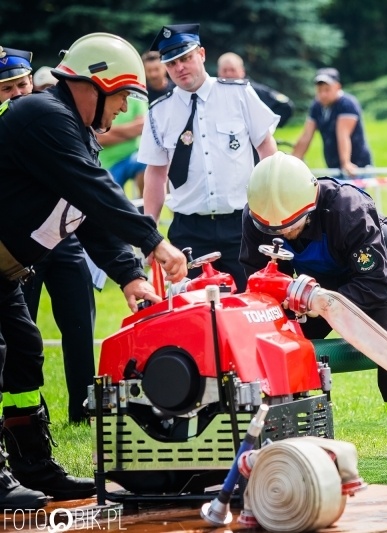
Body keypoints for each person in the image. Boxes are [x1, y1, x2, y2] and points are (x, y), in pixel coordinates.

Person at [0, 33, 187, 509]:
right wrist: (153, 242)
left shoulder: (71, 131)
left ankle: (33, 469)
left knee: (23, 350)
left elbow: (83, 211)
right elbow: (94, 189)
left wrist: (130, 275)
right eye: (124, 95)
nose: (125, 108)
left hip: (4, 274)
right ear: (98, 83)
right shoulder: (43, 116)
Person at [241, 152, 387, 487]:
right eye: (271, 229)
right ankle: (280, 450)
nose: (283, 235)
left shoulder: (348, 208)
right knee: (268, 345)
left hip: (384, 273)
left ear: (310, 205)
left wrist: (318, 303)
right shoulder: (257, 215)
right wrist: (292, 306)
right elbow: (257, 280)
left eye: (291, 226)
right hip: (310, 289)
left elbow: (377, 283)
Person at [139, 24, 280, 292]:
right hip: (189, 231)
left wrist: (274, 207)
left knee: (251, 305)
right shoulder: (159, 112)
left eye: (186, 58)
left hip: (242, 226)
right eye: (172, 63)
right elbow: (155, 175)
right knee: (192, 317)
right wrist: (150, 234)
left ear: (201, 54)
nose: (180, 68)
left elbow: (267, 151)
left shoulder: (238, 94)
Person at [0, 49, 99, 426]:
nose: (17, 93)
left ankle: (84, 410)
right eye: (6, 88)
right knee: (20, 334)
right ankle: (25, 412)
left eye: (21, 84)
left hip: (65, 242)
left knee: (79, 326)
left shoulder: (52, 121)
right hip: (21, 249)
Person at [292, 68, 373, 178]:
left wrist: (346, 163)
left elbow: (343, 135)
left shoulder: (347, 104)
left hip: (356, 167)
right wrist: (292, 162)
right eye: (320, 90)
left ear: (338, 87)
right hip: (334, 168)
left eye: (327, 90)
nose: (323, 94)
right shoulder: (316, 106)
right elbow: (306, 136)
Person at [217, 52, 294, 128]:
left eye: (232, 70)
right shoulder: (214, 92)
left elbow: (285, 106)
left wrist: (266, 128)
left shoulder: (254, 91)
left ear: (242, 71)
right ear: (218, 72)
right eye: (224, 70)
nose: (228, 74)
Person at [97, 98, 147, 196]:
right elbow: (98, 138)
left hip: (133, 157)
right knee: (111, 201)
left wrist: (110, 132)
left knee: (147, 162)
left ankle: (143, 208)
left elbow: (143, 127)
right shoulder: (101, 99)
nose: (124, 108)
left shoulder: (136, 97)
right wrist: (131, 133)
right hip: (107, 164)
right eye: (122, 96)